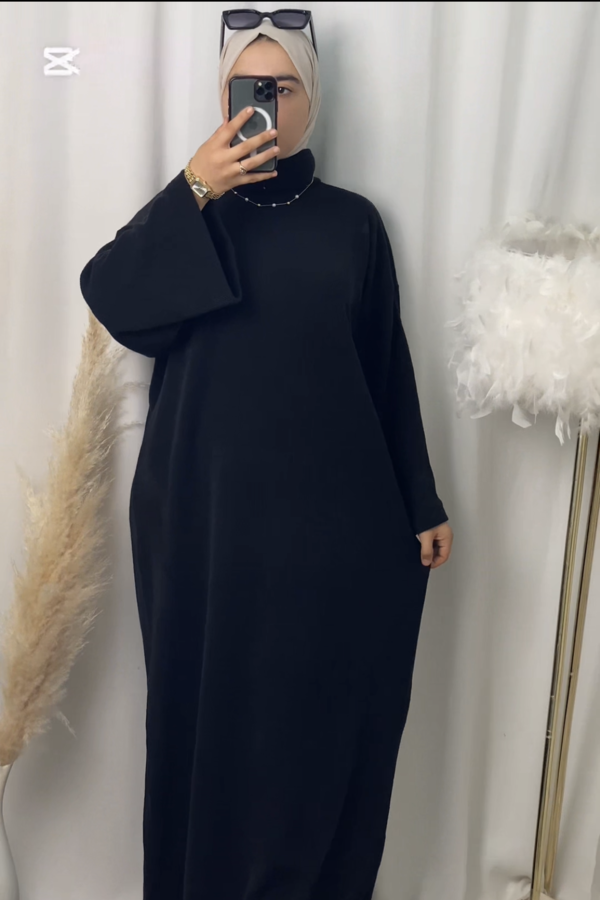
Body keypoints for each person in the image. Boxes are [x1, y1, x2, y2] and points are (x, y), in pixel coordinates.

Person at [80, 14, 453, 900]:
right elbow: (111, 295)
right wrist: (194, 186)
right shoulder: (194, 214)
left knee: (311, 728)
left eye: (280, 89)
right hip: (202, 521)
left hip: (328, 530)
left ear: (310, 100)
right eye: (246, 89)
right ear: (222, 100)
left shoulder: (353, 225)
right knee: (206, 722)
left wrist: (421, 499)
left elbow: (384, 368)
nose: (263, 106)